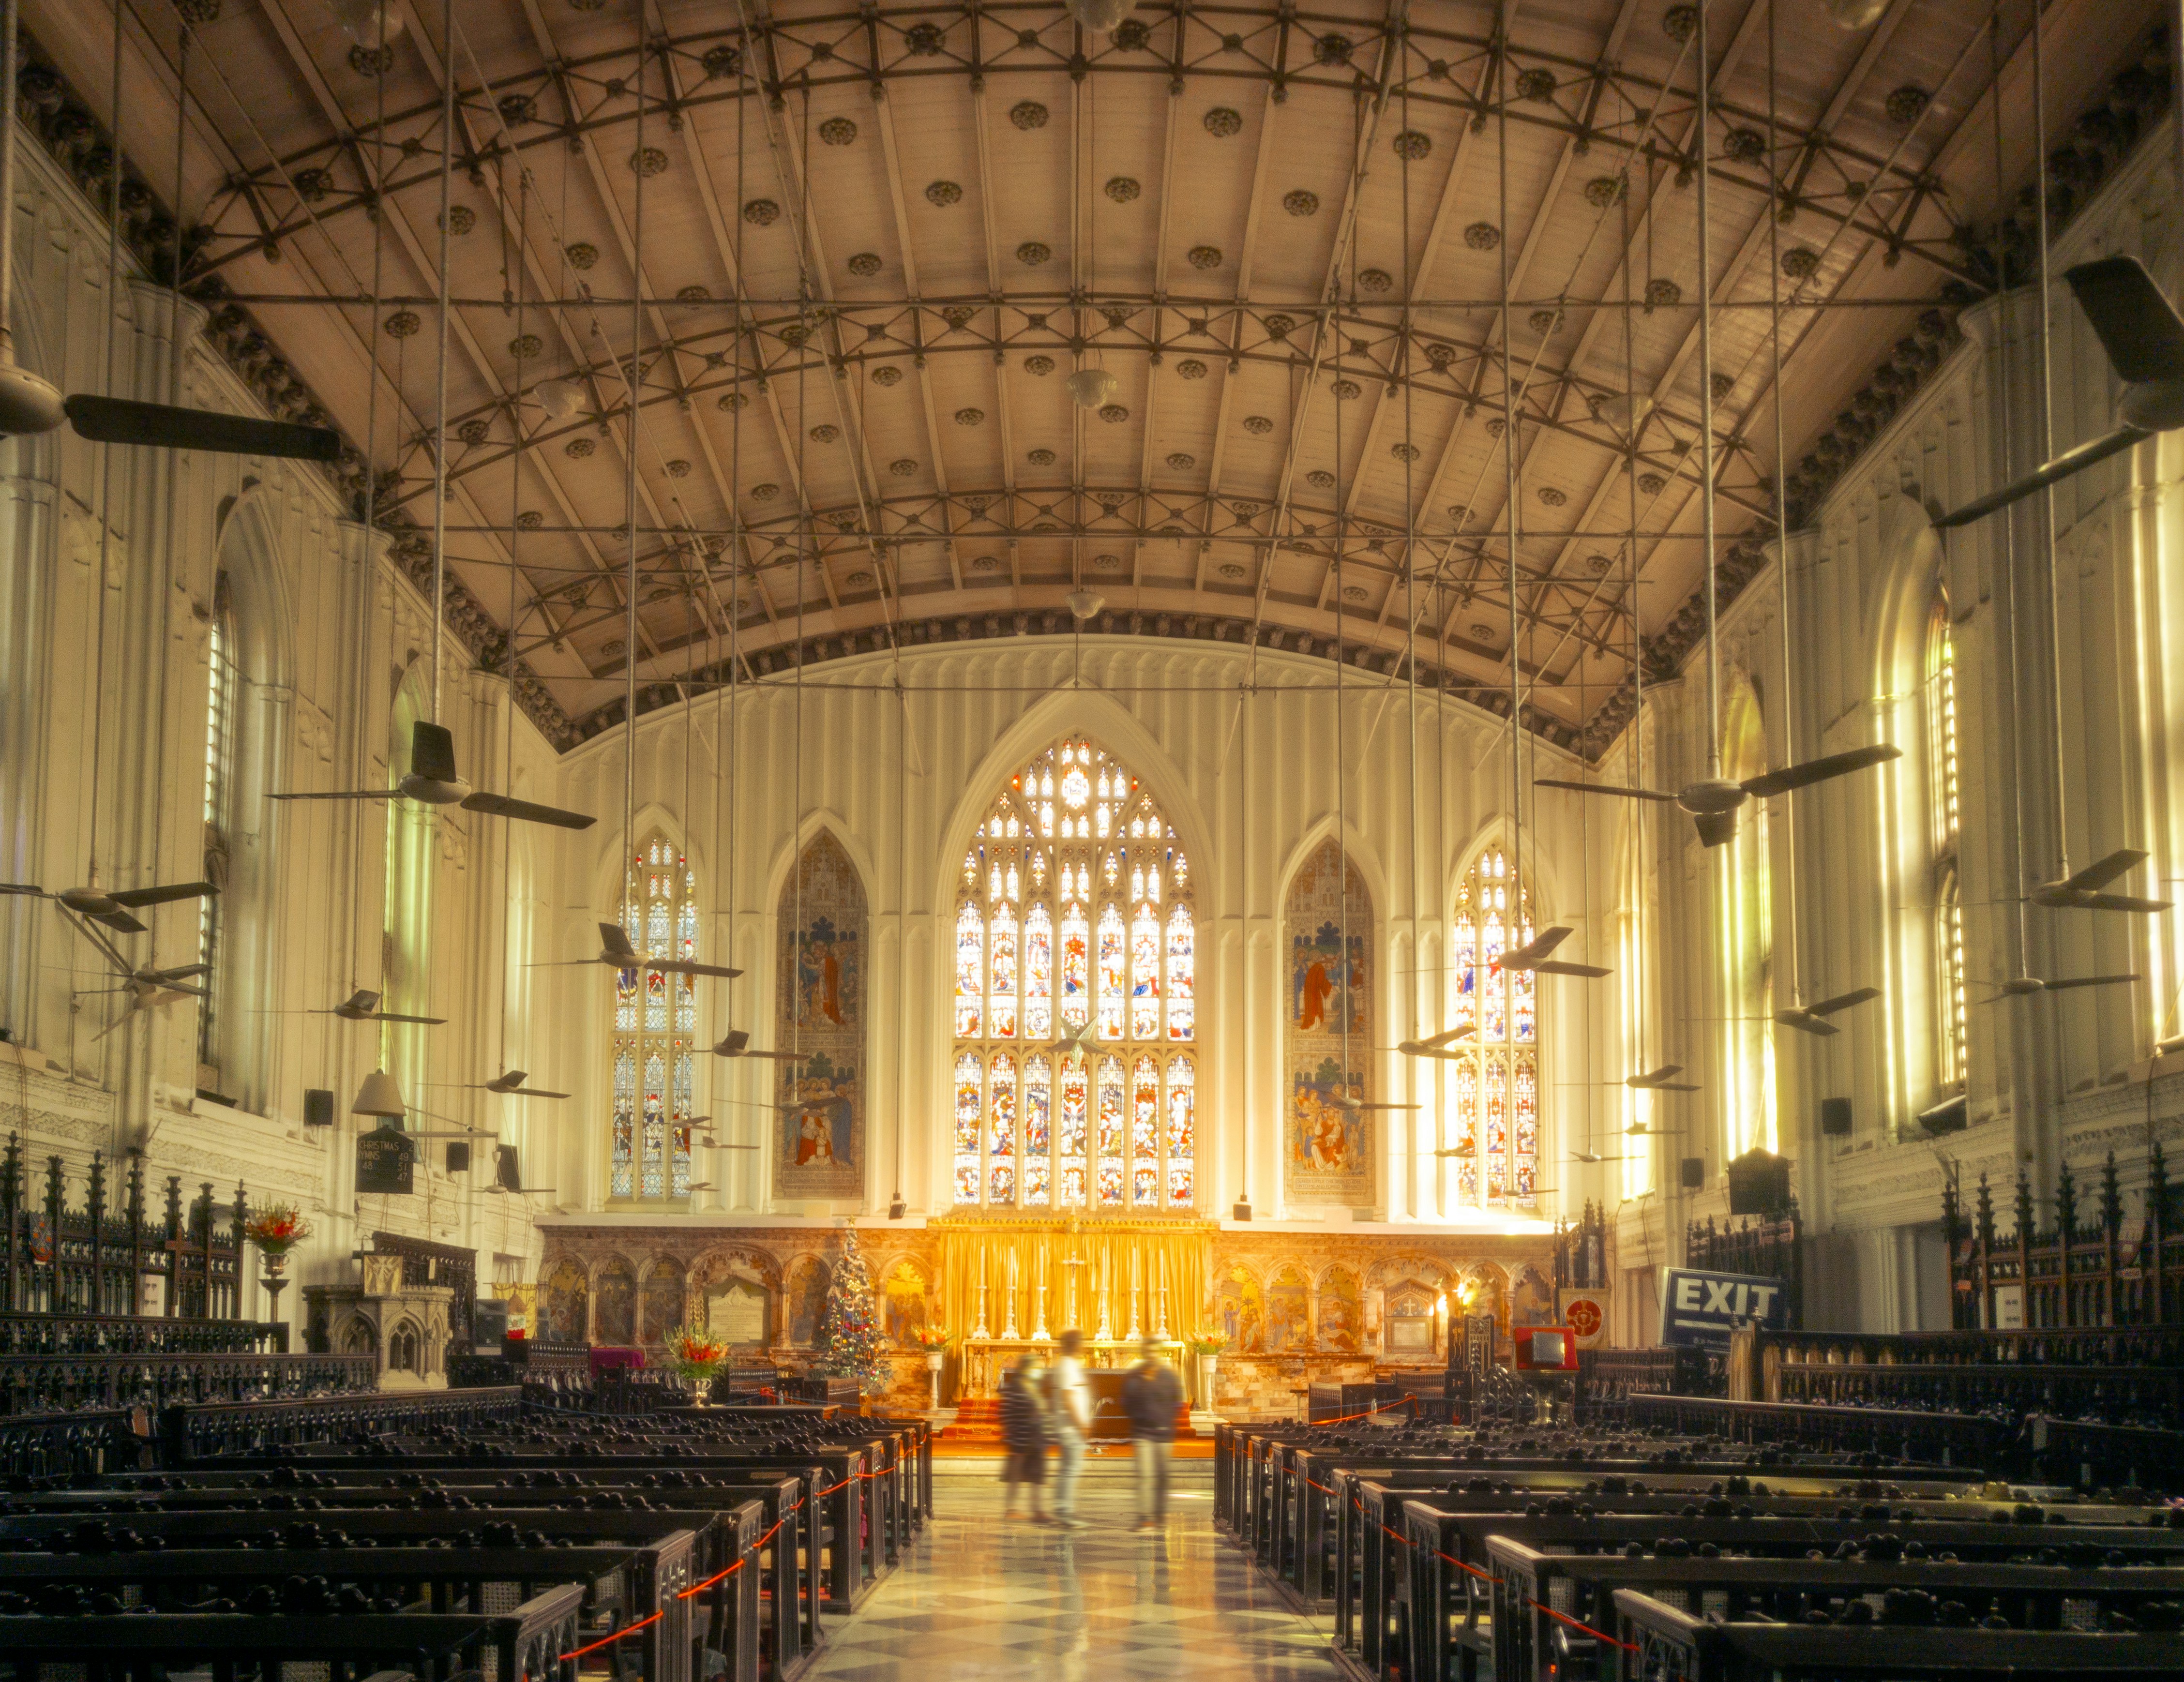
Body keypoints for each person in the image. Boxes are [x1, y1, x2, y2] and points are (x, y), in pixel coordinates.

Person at [1121, 1336, 1184, 1531]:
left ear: (1159, 1353)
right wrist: (1140, 1417)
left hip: (1164, 1432)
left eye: (1154, 1352)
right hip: (1143, 1432)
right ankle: (1144, 1517)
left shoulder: (1169, 1376)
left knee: (1162, 1476)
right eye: (1147, 1352)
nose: (1151, 1356)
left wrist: (1166, 1419)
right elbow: (1126, 1401)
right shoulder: (1134, 1376)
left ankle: (1159, 1514)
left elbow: (1177, 1401)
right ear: (1144, 1354)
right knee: (1146, 1475)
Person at [1045, 1328, 1091, 1529]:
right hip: (1070, 1427)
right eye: (1080, 1342)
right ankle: (1063, 1511)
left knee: (1069, 1469)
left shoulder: (1069, 1365)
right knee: (1070, 1470)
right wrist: (1080, 1423)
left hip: (1071, 1426)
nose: (1082, 1346)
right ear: (1074, 1345)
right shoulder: (1067, 1366)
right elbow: (1068, 1396)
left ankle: (1063, 1510)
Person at [999, 1351, 1048, 1521]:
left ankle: (1038, 1509)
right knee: (1016, 1475)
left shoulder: (1032, 1385)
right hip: (1021, 1440)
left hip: (1034, 1438)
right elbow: (1009, 1415)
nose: (1038, 1371)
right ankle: (1011, 1510)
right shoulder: (1015, 1387)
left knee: (1037, 1475)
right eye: (1035, 1367)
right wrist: (1014, 1441)